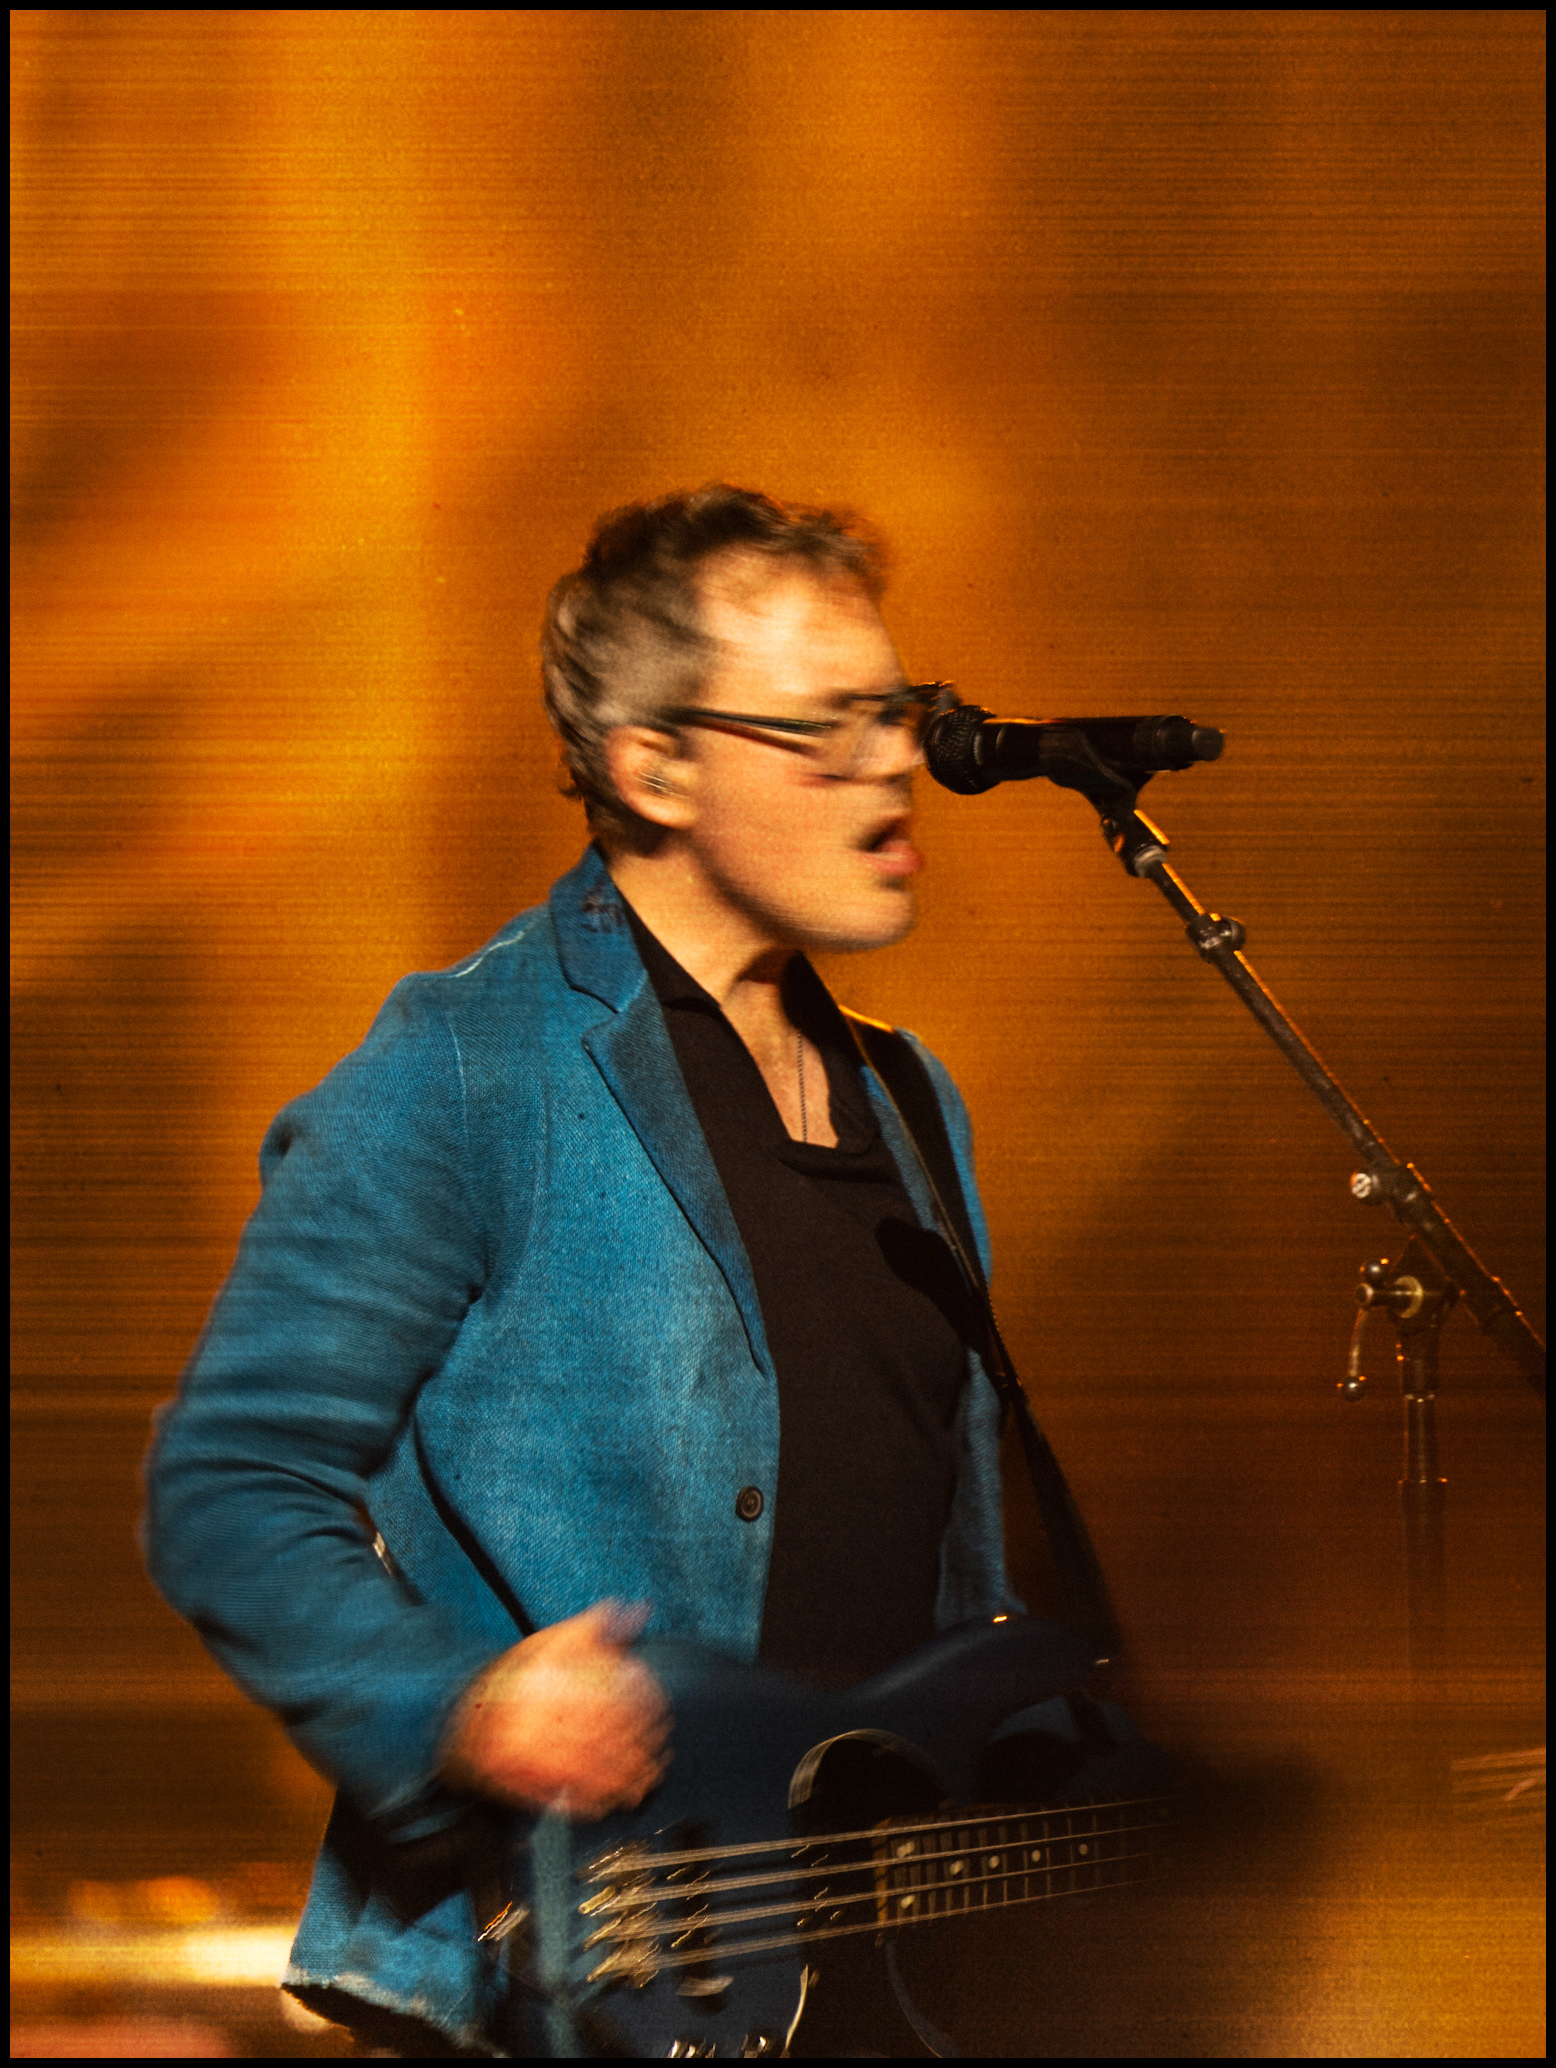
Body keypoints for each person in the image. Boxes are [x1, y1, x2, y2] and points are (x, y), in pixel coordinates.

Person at [142, 484, 1020, 2056]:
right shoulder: (466, 1064)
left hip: (873, 1979)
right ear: (652, 767)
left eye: (897, 709)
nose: (894, 759)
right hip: (562, 1980)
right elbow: (229, 1484)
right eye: (826, 725)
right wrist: (459, 1709)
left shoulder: (912, 1098)